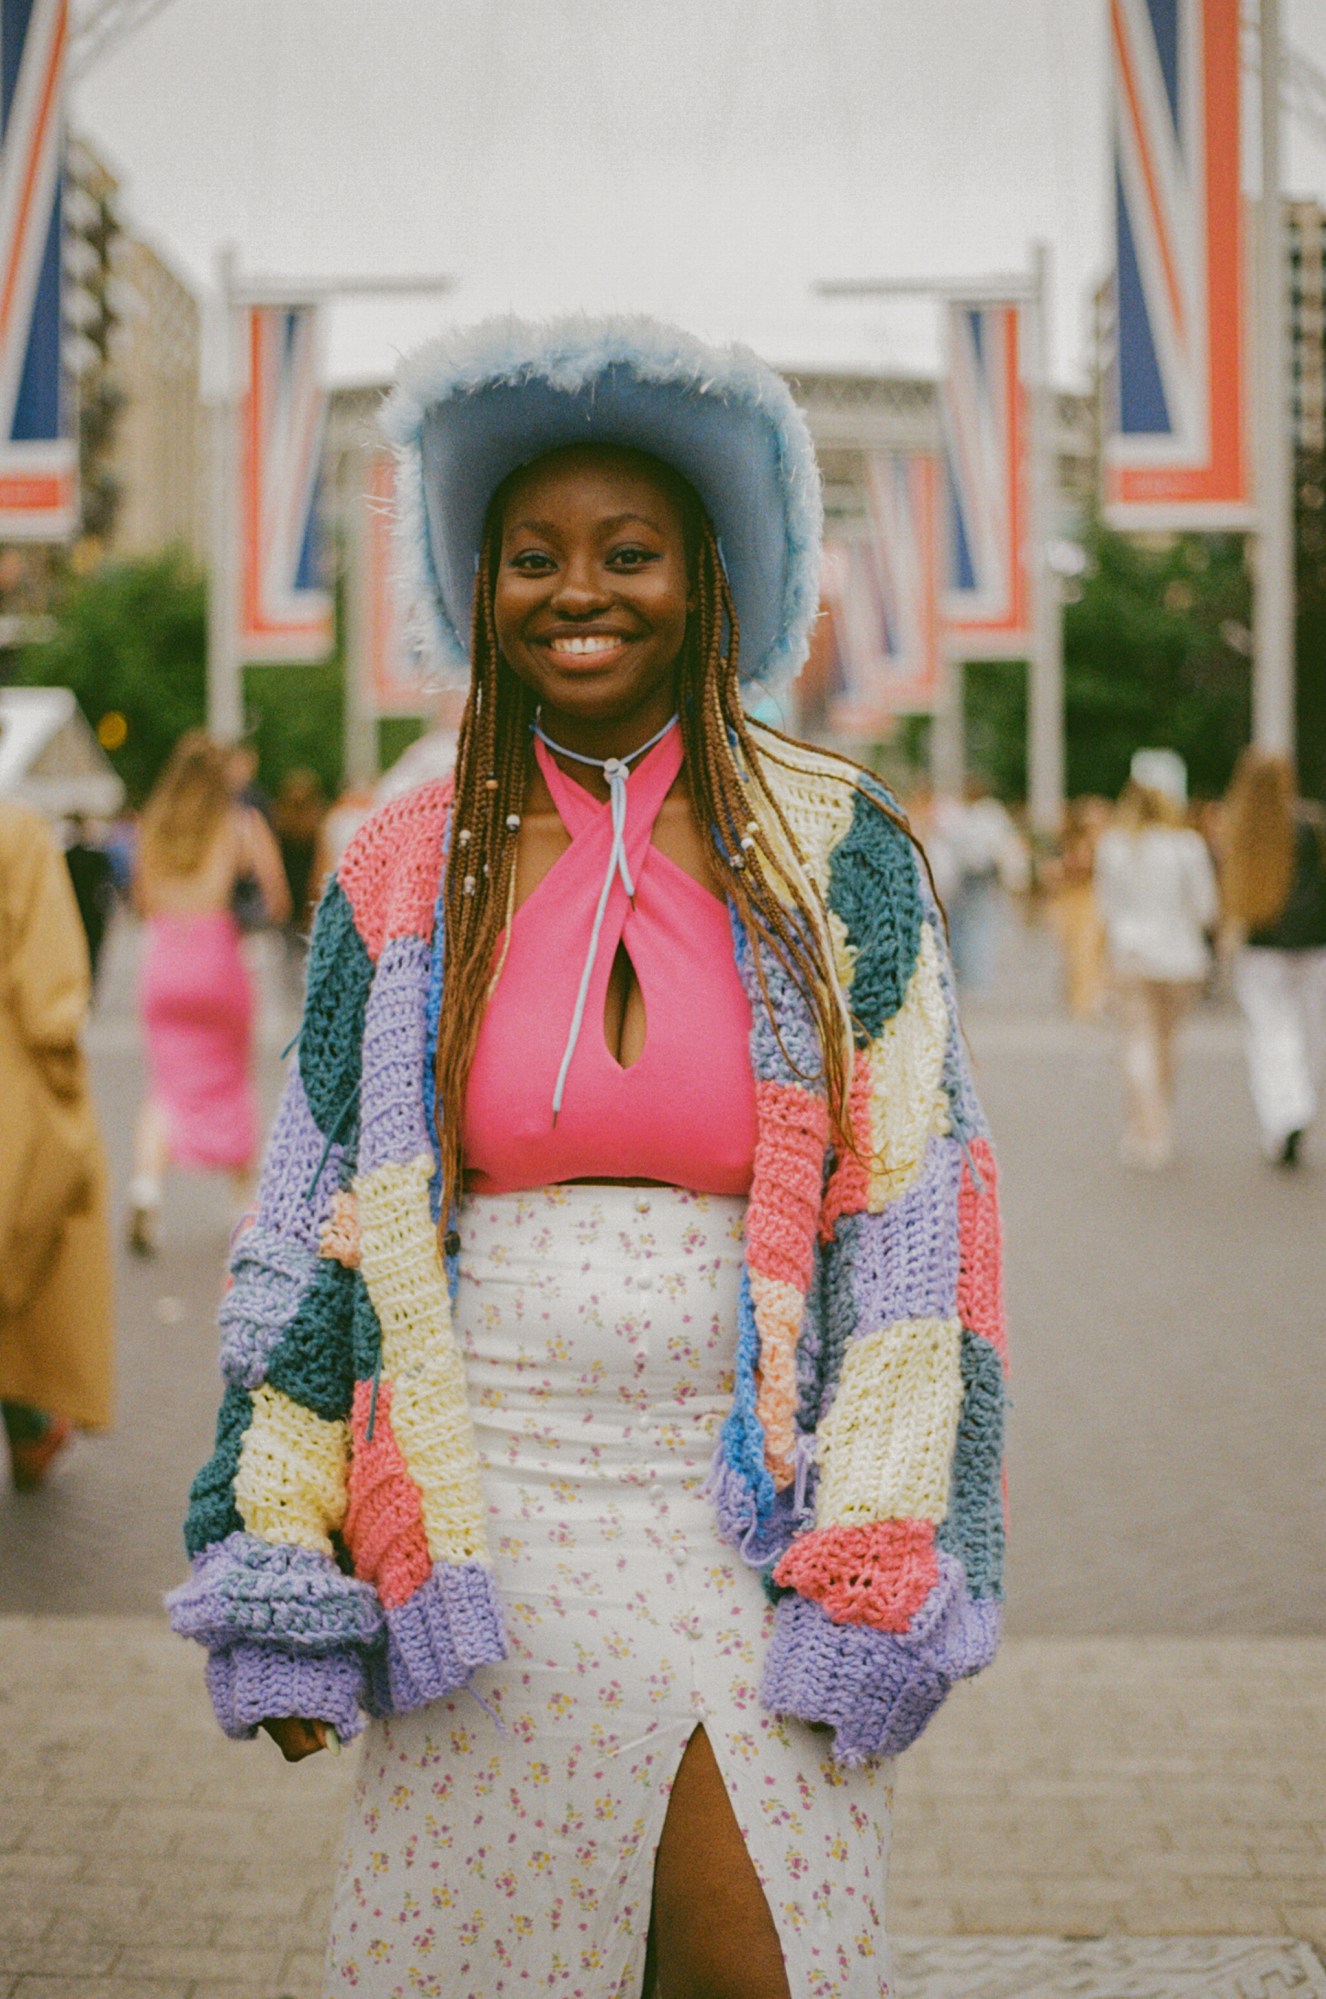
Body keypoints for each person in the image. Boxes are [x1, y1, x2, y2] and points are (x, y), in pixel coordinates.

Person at [169, 317, 1007, 1999]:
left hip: (742, 1526)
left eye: (630, 552)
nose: (581, 588)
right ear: (476, 586)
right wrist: (280, 1557)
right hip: (485, 1530)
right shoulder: (402, 865)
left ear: (709, 581)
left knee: (754, 1954)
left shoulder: (835, 846)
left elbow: (922, 1225)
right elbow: (309, 1227)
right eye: (533, 554)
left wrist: (880, 1551)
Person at [128, 732, 290, 1254]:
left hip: (165, 962)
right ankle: (240, 1208)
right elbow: (278, 898)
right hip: (218, 961)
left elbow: (142, 900)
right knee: (230, 1080)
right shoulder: (239, 823)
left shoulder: (152, 827)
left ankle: (147, 1189)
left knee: (168, 1088)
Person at [0, 801, 114, 1488]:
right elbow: (50, 1000)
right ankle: (31, 1424)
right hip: (10, 1076)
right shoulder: (16, 832)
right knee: (27, 1258)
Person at [1094, 750, 1219, 1169]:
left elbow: (1106, 908)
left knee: (1138, 1041)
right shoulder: (1187, 845)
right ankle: (1157, 1118)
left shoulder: (1115, 846)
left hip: (1132, 954)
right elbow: (1206, 907)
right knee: (1167, 1043)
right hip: (1181, 956)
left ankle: (1147, 1127)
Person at [1220, 749, 1326, 1166]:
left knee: (1269, 1033)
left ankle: (1283, 1113)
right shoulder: (1310, 826)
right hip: (1314, 943)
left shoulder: (1243, 829)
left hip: (1263, 946)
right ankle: (1301, 1102)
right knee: (1311, 1030)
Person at [271, 767, 328, 989]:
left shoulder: (280, 829)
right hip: (299, 906)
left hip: (293, 906)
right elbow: (320, 870)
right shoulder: (314, 829)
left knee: (287, 969)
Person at [61, 814, 118, 992]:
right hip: (93, 911)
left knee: (75, 950)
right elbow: (108, 885)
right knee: (92, 951)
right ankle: (89, 985)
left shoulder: (65, 857)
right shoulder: (98, 858)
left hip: (73, 911)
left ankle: (79, 985)